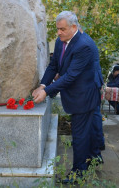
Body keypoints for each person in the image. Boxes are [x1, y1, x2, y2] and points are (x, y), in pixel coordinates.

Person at [32, 11, 102, 183]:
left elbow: (70, 76)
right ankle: (95, 156)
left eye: (62, 29)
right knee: (91, 128)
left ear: (74, 27)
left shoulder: (83, 45)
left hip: (84, 94)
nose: (59, 33)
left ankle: (78, 174)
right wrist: (42, 84)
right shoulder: (60, 41)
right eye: (57, 29)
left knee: (79, 136)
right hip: (79, 91)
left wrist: (46, 92)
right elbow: (54, 65)